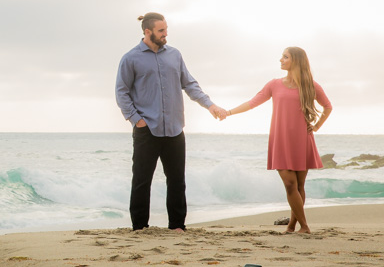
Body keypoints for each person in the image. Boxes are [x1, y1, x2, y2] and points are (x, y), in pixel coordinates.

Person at [115, 13, 228, 232]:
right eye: (161, 31)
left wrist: (210, 105)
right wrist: (136, 120)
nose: (166, 34)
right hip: (147, 129)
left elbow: (190, 84)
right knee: (141, 180)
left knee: (177, 180)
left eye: (166, 29)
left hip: (175, 128)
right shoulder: (130, 58)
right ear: (147, 32)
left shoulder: (174, 55)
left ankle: (177, 226)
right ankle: (140, 227)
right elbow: (122, 92)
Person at [225, 47, 333, 234]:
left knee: (299, 186)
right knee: (290, 184)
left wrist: (316, 127)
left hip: (302, 139)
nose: (280, 60)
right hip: (280, 140)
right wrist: (228, 112)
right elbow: (252, 103)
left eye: (285, 57)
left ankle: (292, 226)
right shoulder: (274, 84)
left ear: (296, 61)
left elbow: (328, 107)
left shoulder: (311, 85)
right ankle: (305, 227)